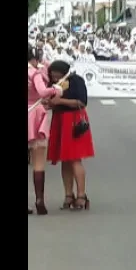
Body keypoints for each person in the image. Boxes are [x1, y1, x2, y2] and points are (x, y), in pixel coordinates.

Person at [46, 60, 95, 211]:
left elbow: (82, 101)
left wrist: (60, 100)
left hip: (73, 120)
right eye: (52, 75)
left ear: (64, 72)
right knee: (64, 160)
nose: (54, 78)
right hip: (59, 119)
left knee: (74, 159)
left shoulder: (76, 80)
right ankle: (68, 195)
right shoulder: (54, 84)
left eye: (57, 75)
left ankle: (81, 196)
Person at [28, 47, 64, 215]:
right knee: (39, 161)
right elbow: (43, 92)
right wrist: (55, 90)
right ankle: (39, 200)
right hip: (35, 116)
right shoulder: (34, 74)